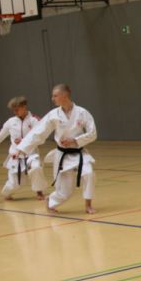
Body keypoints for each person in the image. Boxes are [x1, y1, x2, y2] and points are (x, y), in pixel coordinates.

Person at [17, 84, 97, 214]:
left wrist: (75, 140)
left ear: (64, 95)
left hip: (79, 152)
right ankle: (51, 201)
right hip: (62, 155)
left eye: (55, 95)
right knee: (65, 191)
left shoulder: (82, 113)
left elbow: (93, 133)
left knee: (89, 173)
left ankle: (88, 205)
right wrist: (23, 148)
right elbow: (38, 132)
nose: (52, 98)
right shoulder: (53, 115)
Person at [0, 96, 45, 200]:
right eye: (13, 110)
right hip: (15, 155)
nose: (15, 112)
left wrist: (24, 141)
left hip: (31, 153)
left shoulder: (34, 120)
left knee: (36, 167)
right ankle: (6, 193)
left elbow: (41, 139)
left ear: (24, 107)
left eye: (17, 109)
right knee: (16, 184)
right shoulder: (10, 122)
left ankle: (39, 191)